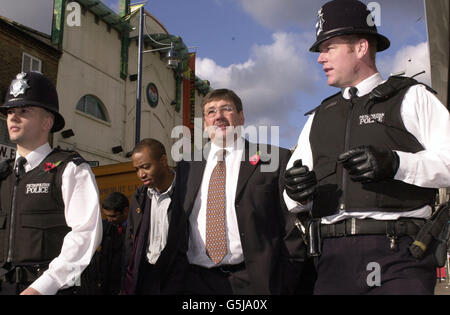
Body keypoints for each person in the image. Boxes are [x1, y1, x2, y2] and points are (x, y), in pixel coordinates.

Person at [284, 0, 450, 295]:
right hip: (332, 260)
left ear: (361, 48)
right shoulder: (317, 118)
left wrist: (397, 164)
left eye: (329, 47)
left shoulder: (411, 97)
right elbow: (292, 198)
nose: (320, 58)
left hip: (398, 256)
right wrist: (296, 192)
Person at [174, 88, 304, 294]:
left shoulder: (273, 159)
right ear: (205, 123)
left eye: (227, 109)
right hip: (196, 281)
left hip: (254, 281)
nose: (219, 116)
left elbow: (291, 223)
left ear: (241, 117)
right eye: (211, 112)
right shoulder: (187, 165)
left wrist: (287, 277)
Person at [0, 71, 102, 295]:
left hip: (49, 289)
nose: (13, 117)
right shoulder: (4, 174)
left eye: (24, 111)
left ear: (48, 121)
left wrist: (41, 288)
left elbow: (85, 234)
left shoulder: (70, 169)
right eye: (10, 112)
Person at [122, 138, 184, 294]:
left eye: (145, 167)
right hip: (145, 279)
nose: (141, 174)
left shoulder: (187, 192)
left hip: (179, 279)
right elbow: (131, 243)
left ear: (163, 160)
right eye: (136, 169)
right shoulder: (140, 197)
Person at [77, 192, 129, 295]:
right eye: (106, 216)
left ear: (125, 211)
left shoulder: (135, 229)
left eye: (113, 216)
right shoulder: (103, 228)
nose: (109, 220)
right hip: (106, 285)